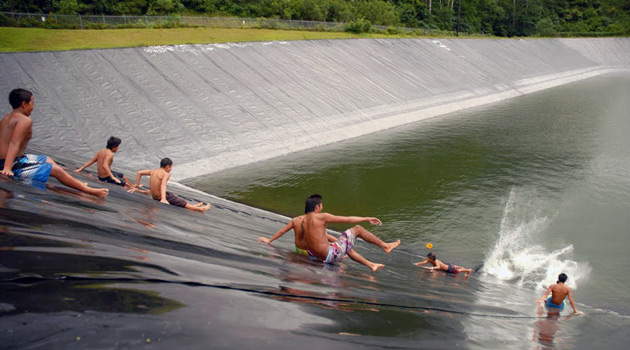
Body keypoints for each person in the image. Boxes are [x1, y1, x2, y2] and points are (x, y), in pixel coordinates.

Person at [0, 88, 108, 198]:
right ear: (24, 104)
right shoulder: (25, 120)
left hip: (13, 159)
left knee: (46, 159)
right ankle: (88, 190)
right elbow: (14, 143)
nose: (33, 107)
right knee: (54, 169)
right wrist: (7, 168)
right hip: (10, 163)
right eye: (32, 103)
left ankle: (76, 183)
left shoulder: (7, 117)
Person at [301, 194, 400, 270]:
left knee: (345, 245)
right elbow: (347, 219)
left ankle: (371, 265)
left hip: (321, 258)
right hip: (331, 255)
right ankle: (385, 246)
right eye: (321, 206)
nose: (322, 208)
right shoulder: (321, 217)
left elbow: (317, 237)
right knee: (358, 229)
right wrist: (367, 218)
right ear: (317, 207)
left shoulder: (303, 221)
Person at [258, 214, 387, 272]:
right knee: (347, 249)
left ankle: (369, 264)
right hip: (312, 252)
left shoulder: (296, 220)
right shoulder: (313, 222)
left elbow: (282, 231)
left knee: (339, 247)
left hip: (300, 251)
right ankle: (370, 264)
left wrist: (269, 240)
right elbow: (328, 234)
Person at [131, 157, 210, 213]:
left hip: (155, 196)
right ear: (167, 166)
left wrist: (137, 185)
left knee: (174, 197)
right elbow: (163, 185)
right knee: (177, 200)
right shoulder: (165, 174)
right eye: (171, 167)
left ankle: (193, 206)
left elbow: (139, 173)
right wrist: (164, 199)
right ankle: (199, 209)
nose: (171, 169)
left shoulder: (153, 171)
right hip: (160, 196)